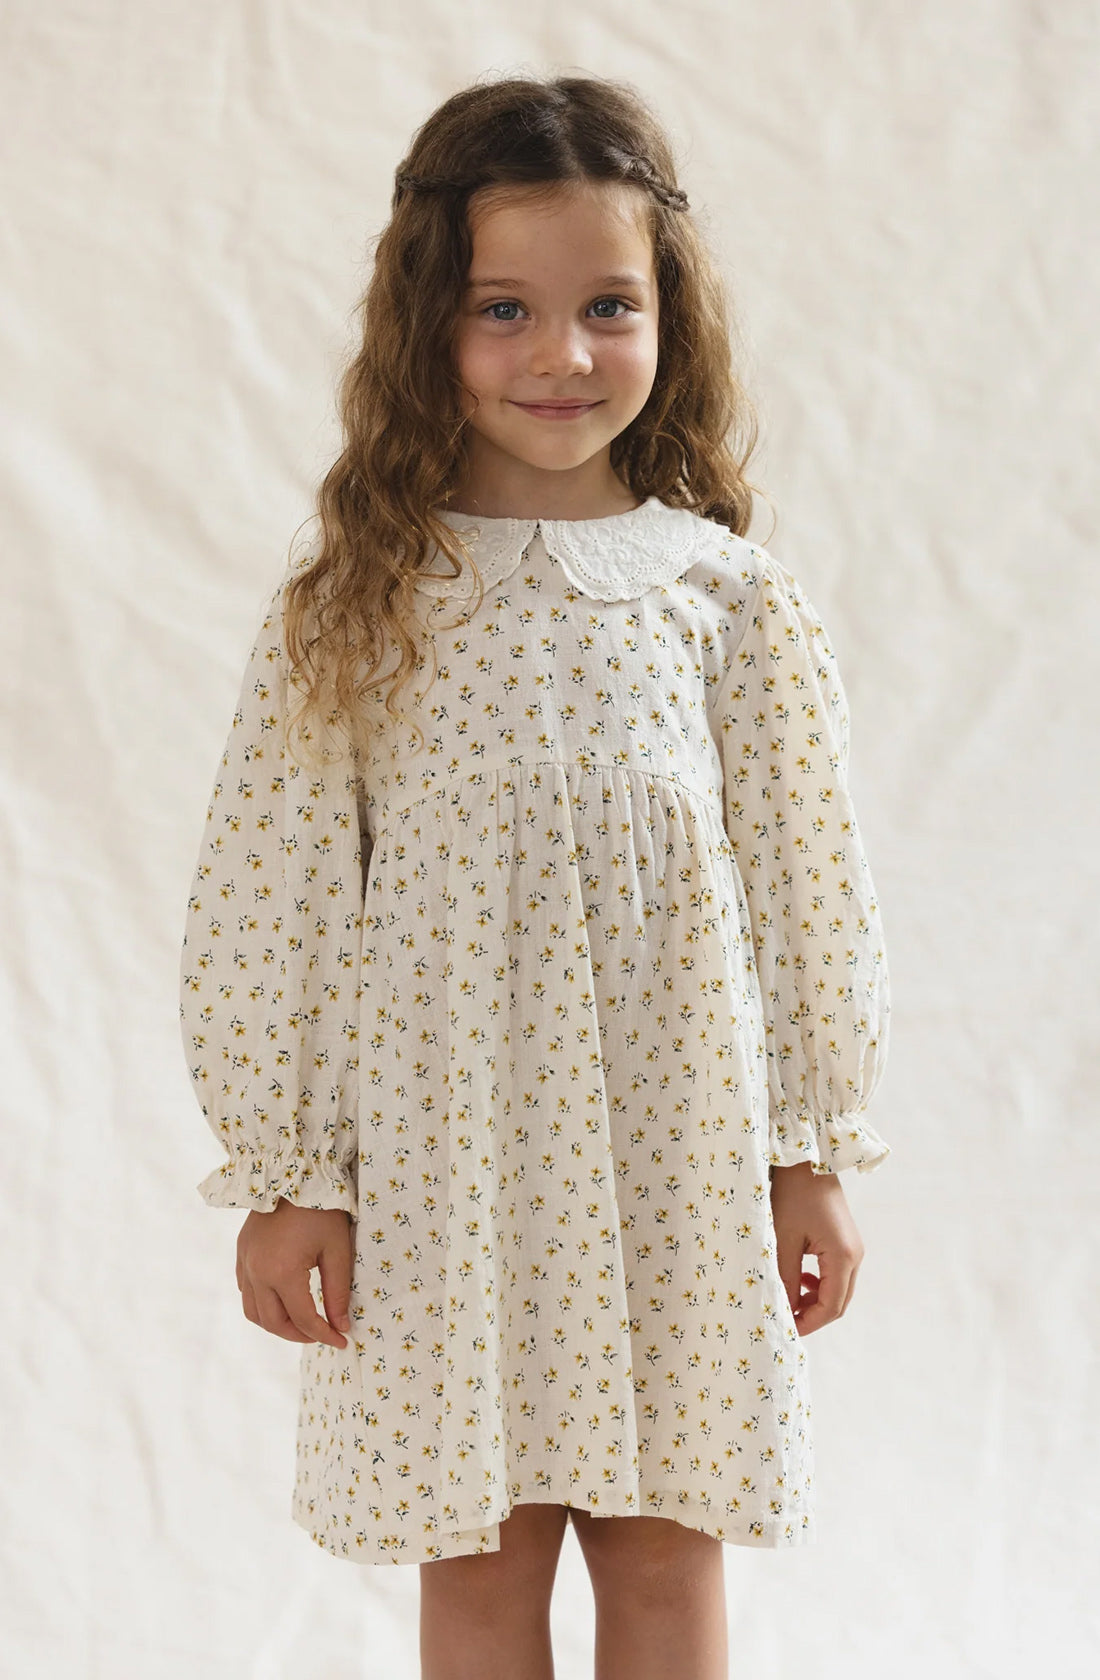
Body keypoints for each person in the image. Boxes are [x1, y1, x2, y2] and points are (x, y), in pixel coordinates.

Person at [178, 71, 892, 1680]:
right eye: (506, 308)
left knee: (664, 1549)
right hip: (447, 1170)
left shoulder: (727, 602)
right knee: (481, 1561)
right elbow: (272, 893)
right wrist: (294, 1170)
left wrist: (812, 1153)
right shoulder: (358, 602)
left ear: (669, 318)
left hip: (676, 1161)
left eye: (606, 307)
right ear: (430, 316)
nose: (561, 355)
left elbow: (806, 893)